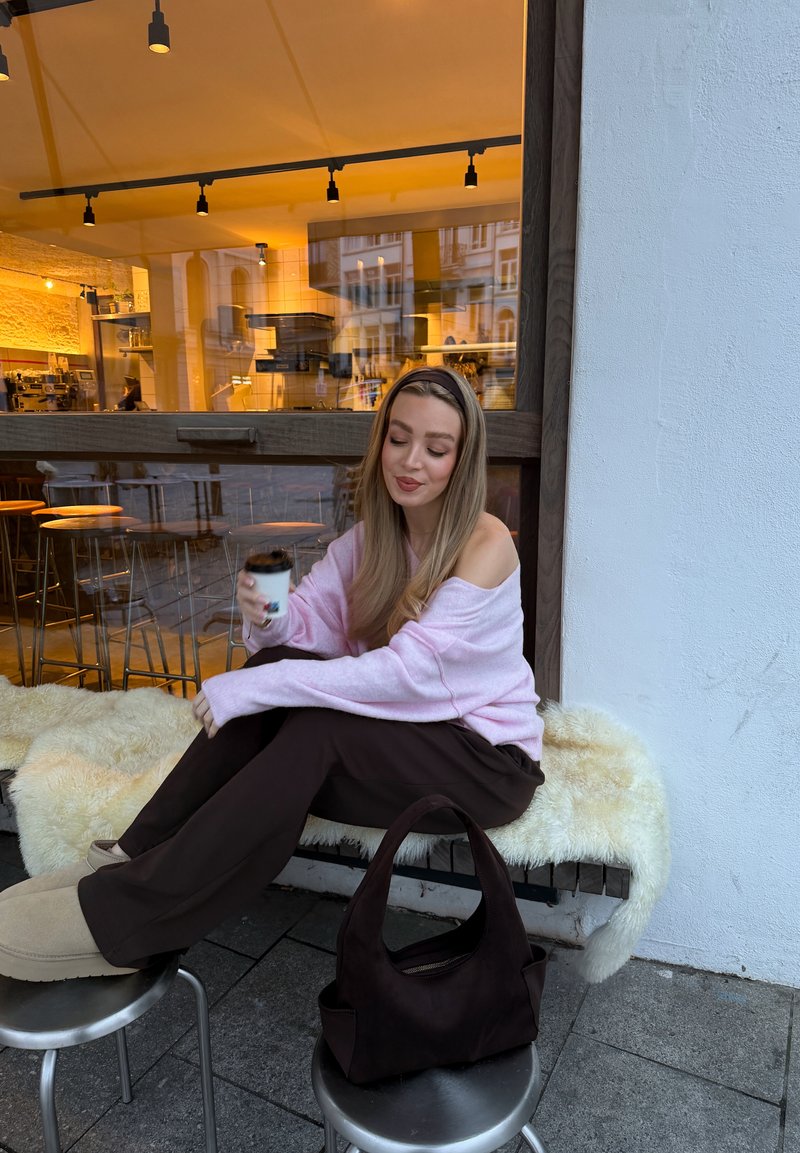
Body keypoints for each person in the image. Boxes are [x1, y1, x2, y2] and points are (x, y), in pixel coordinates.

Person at [0, 366, 545, 982]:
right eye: (398, 438)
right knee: (275, 670)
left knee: (311, 727)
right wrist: (269, 615)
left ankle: (123, 923)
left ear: (462, 460)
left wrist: (251, 687)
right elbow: (305, 634)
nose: (410, 461)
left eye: (436, 448)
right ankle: (133, 854)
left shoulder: (485, 544)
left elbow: (409, 676)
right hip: (404, 745)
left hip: (484, 764)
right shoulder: (371, 540)